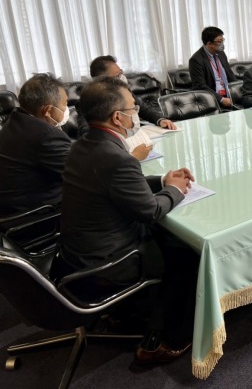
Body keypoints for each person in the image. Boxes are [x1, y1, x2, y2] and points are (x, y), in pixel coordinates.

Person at [51, 77, 199, 365]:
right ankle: (160, 341)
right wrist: (176, 190)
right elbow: (151, 211)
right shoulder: (116, 157)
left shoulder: (83, 144)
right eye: (133, 108)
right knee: (185, 253)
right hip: (108, 261)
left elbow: (116, 183)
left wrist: (163, 180)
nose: (137, 113)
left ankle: (125, 312)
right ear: (117, 117)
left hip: (75, 251)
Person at [77, 55, 176, 160]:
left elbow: (143, 108)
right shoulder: (88, 101)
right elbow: (86, 132)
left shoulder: (124, 92)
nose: (122, 77)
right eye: (118, 75)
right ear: (103, 81)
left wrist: (160, 119)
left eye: (121, 72)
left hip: (136, 141)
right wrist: (130, 155)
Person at [0, 74, 71, 216]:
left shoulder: (16, 119)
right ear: (48, 111)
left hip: (11, 208)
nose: (66, 109)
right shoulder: (46, 136)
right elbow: (82, 173)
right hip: (38, 215)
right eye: (64, 104)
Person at [189, 26, 239, 109]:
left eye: (223, 40)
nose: (222, 44)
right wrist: (221, 99)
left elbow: (230, 75)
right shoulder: (196, 60)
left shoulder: (221, 53)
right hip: (213, 100)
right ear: (209, 44)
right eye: (219, 42)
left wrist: (240, 89)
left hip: (229, 96)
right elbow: (200, 86)